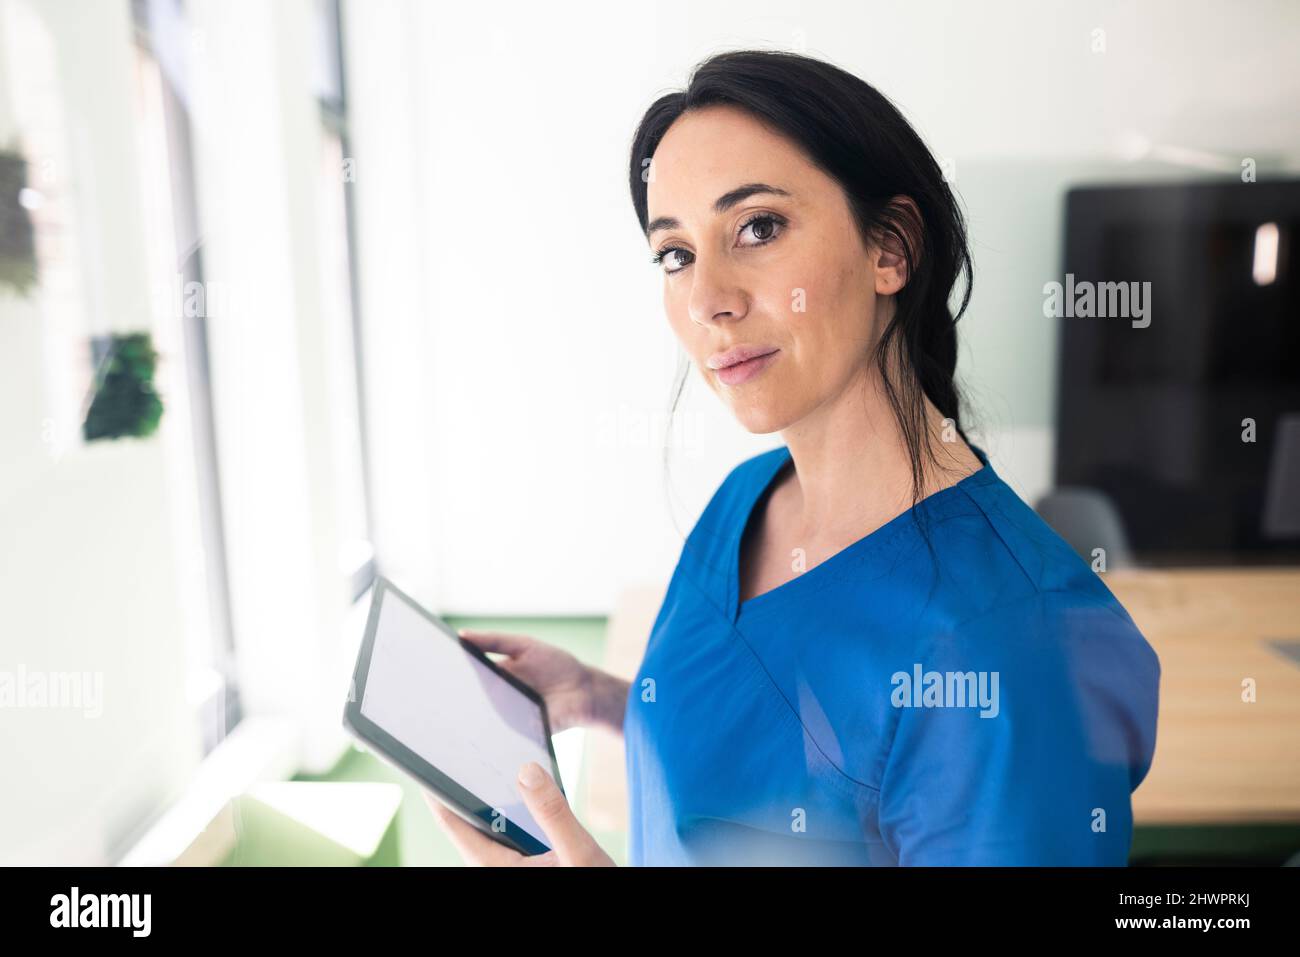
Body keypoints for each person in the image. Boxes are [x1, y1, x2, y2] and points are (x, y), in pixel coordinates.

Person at [427, 49, 1160, 866]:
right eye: (676, 253)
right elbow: (791, 775)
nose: (709, 299)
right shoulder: (744, 503)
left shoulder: (1007, 648)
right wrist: (606, 701)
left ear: (891, 248)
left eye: (758, 228)